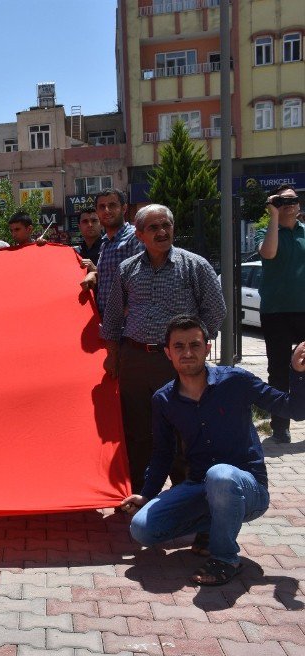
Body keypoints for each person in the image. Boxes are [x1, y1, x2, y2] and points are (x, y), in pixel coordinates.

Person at [120, 315, 305, 586]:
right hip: (200, 486)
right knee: (143, 529)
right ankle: (215, 524)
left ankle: (225, 557)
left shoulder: (236, 381)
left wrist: (297, 374)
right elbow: (162, 454)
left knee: (220, 475)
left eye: (195, 345)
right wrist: (147, 495)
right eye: (179, 346)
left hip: (247, 488)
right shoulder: (163, 399)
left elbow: (295, 410)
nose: (187, 353)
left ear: (207, 348)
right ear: (167, 353)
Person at [101, 203, 226, 491]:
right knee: (137, 431)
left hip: (177, 363)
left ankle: (186, 494)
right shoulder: (127, 268)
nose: (161, 232)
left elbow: (216, 310)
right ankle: (139, 493)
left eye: (166, 225)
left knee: (183, 429)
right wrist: (113, 354)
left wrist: (194, 349)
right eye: (153, 227)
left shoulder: (195, 266)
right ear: (140, 234)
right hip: (134, 359)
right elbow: (113, 315)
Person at [255, 184, 304, 444]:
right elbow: (269, 252)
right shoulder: (266, 231)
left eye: (294, 199)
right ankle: (280, 427)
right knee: (279, 371)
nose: (291, 204)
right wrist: (274, 216)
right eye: (283, 201)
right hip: (276, 313)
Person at [81, 188, 143, 312]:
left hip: (127, 323)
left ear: (124, 209)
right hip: (107, 322)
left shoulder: (135, 238)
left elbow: (142, 282)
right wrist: (95, 274)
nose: (107, 211)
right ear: (97, 212)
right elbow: (112, 276)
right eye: (102, 207)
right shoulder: (106, 243)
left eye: (112, 205)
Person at [74, 206, 104, 271]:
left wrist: (95, 270)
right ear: (79, 227)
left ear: (101, 225)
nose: (90, 225)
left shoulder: (110, 249)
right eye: (85, 221)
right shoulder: (75, 253)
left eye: (94, 221)